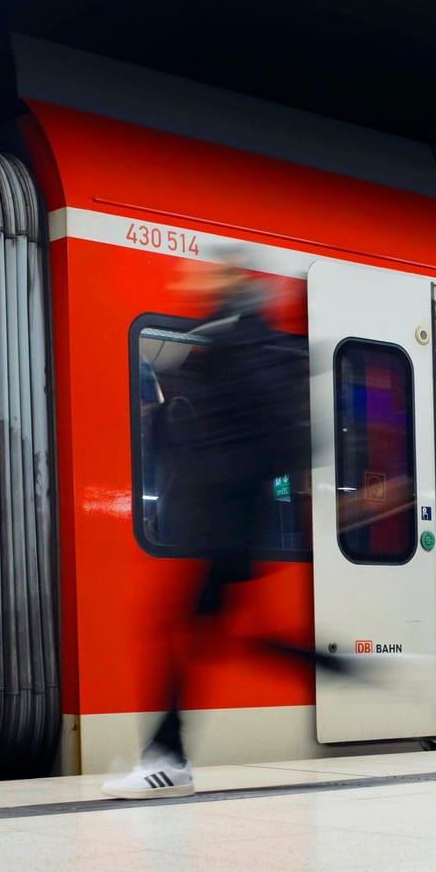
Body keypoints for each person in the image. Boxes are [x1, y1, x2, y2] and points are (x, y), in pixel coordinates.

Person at [103, 252, 334, 798]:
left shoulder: (245, 344)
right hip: (224, 522)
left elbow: (282, 437)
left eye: (203, 272)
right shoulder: (227, 338)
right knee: (230, 636)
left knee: (186, 634)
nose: (190, 278)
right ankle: (357, 670)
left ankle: (166, 758)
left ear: (231, 280)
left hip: (231, 522)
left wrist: (219, 474)